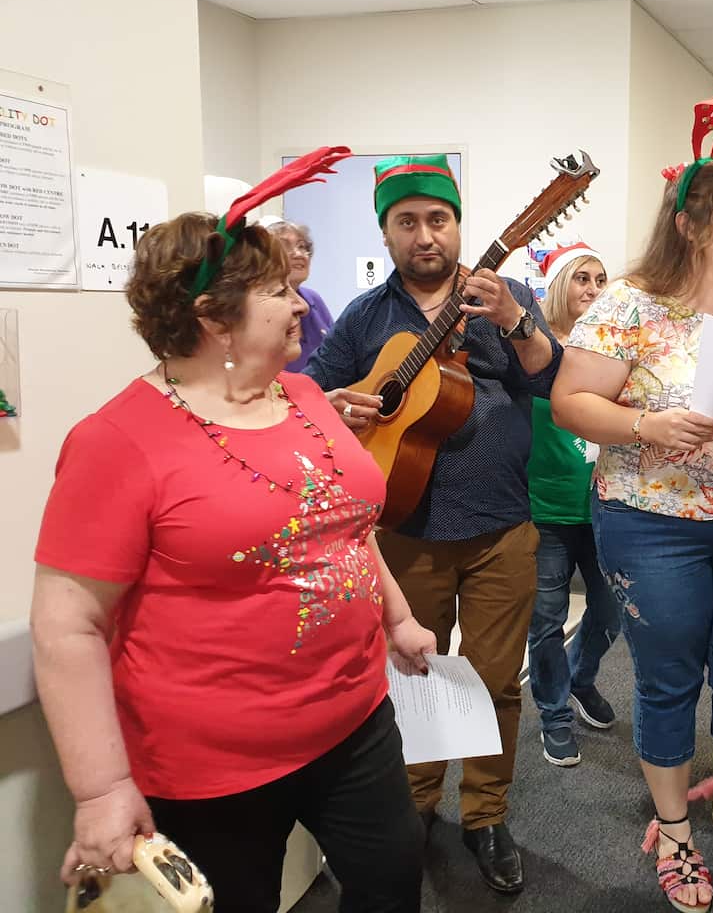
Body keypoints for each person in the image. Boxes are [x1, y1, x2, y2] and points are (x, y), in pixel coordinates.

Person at [31, 159, 436, 913]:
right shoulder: (117, 441)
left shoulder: (308, 395)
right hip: (212, 762)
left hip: (355, 721)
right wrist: (103, 789)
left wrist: (399, 617)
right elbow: (66, 624)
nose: (298, 306)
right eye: (277, 291)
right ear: (216, 318)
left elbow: (343, 525)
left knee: (391, 879)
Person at [552, 154, 713, 913]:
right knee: (668, 679)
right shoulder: (630, 304)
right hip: (651, 523)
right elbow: (570, 402)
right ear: (688, 224)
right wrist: (645, 423)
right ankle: (672, 828)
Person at [305, 154, 560, 895]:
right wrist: (348, 402)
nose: (426, 235)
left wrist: (516, 323)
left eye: (438, 220)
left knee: (494, 682)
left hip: (502, 527)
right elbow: (310, 398)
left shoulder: (503, 295)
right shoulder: (365, 316)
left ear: (458, 227)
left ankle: (485, 814)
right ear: (386, 233)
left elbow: (548, 377)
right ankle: (414, 806)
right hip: (404, 532)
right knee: (414, 678)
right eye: (407, 221)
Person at [525, 241, 621, 767]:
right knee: (546, 618)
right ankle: (554, 714)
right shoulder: (532, 349)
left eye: (600, 279)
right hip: (545, 506)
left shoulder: (610, 350)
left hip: (605, 503)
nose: (592, 289)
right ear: (559, 286)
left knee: (611, 612)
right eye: (582, 278)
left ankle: (581, 677)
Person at [266, 218, 335, 372]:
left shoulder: (314, 300)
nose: (299, 254)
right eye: (285, 246)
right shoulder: (262, 306)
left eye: (302, 246)